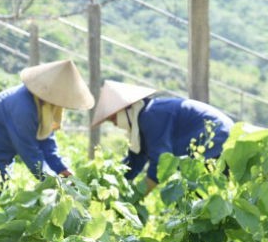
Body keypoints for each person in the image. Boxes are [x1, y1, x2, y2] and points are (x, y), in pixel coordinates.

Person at [0, 59, 95, 226]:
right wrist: (54, 183)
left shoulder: (44, 108)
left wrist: (63, 169)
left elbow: (47, 143)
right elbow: (30, 152)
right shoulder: (24, 107)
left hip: (1, 152)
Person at [91, 80, 234, 192]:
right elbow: (134, 162)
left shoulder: (151, 116)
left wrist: (137, 196)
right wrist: (109, 183)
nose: (115, 125)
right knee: (200, 196)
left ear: (124, 111)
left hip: (216, 139)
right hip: (220, 136)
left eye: (114, 119)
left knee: (197, 197)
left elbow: (161, 162)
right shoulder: (144, 116)